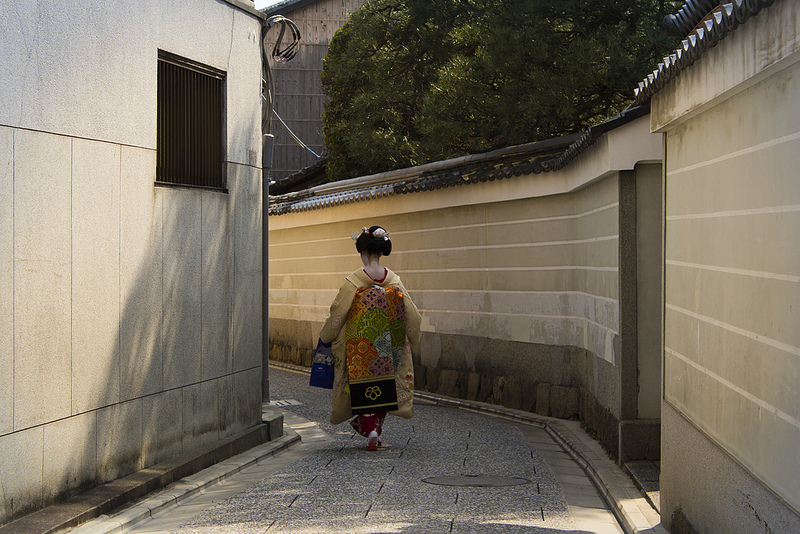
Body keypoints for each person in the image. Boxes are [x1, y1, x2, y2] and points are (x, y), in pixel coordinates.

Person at [318, 225, 421, 450]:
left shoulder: (355, 280)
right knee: (386, 384)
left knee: (359, 384)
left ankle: (370, 427)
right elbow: (411, 312)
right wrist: (412, 336)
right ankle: (377, 427)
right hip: (389, 345)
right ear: (382, 252)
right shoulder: (394, 279)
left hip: (360, 346)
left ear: (363, 252)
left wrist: (327, 335)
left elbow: (338, 311)